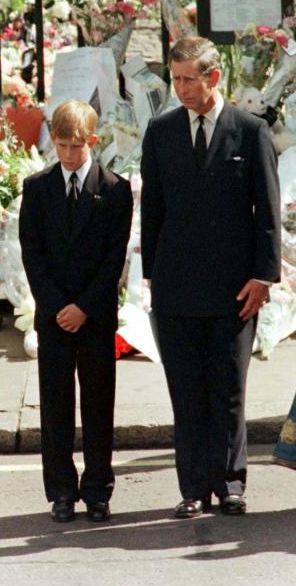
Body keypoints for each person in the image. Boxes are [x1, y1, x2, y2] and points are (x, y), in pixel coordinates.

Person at [141, 37, 280, 518]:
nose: (180, 88)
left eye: (188, 79)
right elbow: (152, 210)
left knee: (228, 390)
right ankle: (193, 489)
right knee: (187, 391)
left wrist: (263, 276)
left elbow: (267, 211)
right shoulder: (160, 132)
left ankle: (231, 483)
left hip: (234, 288)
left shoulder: (250, 131)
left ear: (213, 77)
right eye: (175, 79)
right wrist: (151, 278)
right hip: (176, 286)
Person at [19, 100, 133, 523]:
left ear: (93, 142)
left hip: (94, 315)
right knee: (56, 405)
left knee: (99, 404)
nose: (68, 155)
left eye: (76, 146)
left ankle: (99, 488)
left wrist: (83, 307)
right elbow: (32, 254)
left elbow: (113, 258)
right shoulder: (37, 187)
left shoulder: (115, 189)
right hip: (54, 315)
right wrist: (57, 306)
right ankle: (62, 490)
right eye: (62, 146)